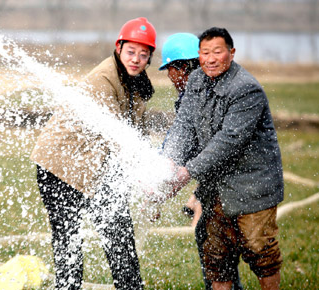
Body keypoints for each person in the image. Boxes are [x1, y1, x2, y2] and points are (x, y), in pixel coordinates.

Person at [30, 17, 156, 289]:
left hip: (94, 163)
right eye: (131, 52)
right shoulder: (103, 78)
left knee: (119, 229)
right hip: (59, 166)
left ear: (149, 58)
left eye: (143, 55)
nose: (136, 59)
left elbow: (138, 135)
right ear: (118, 48)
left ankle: (130, 286)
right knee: (68, 239)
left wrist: (153, 183)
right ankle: (68, 286)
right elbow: (118, 138)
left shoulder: (136, 81)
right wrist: (145, 176)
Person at [161, 27, 284, 290]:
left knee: (261, 252)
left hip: (251, 187)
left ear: (231, 52)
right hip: (215, 188)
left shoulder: (246, 89)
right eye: (205, 52)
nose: (211, 58)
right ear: (199, 55)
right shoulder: (196, 82)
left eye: (218, 51)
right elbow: (184, 126)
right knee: (216, 256)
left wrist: (186, 171)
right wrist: (169, 161)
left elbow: (227, 142)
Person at [159, 32, 202, 227]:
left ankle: (198, 215)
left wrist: (166, 166)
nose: (169, 76)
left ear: (183, 68)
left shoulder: (196, 97)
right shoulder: (200, 91)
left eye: (169, 70)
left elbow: (186, 142)